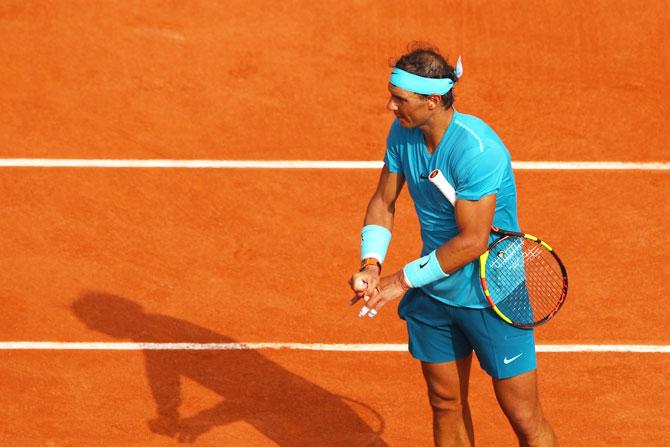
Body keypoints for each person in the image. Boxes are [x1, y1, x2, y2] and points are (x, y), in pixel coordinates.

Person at [348, 44, 557, 446]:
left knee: (524, 417)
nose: (391, 107)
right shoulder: (403, 133)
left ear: (432, 100)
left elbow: (473, 241)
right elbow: (383, 201)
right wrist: (372, 263)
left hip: (492, 294)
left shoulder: (477, 151)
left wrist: (401, 280)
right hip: (435, 290)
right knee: (445, 403)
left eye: (400, 99)